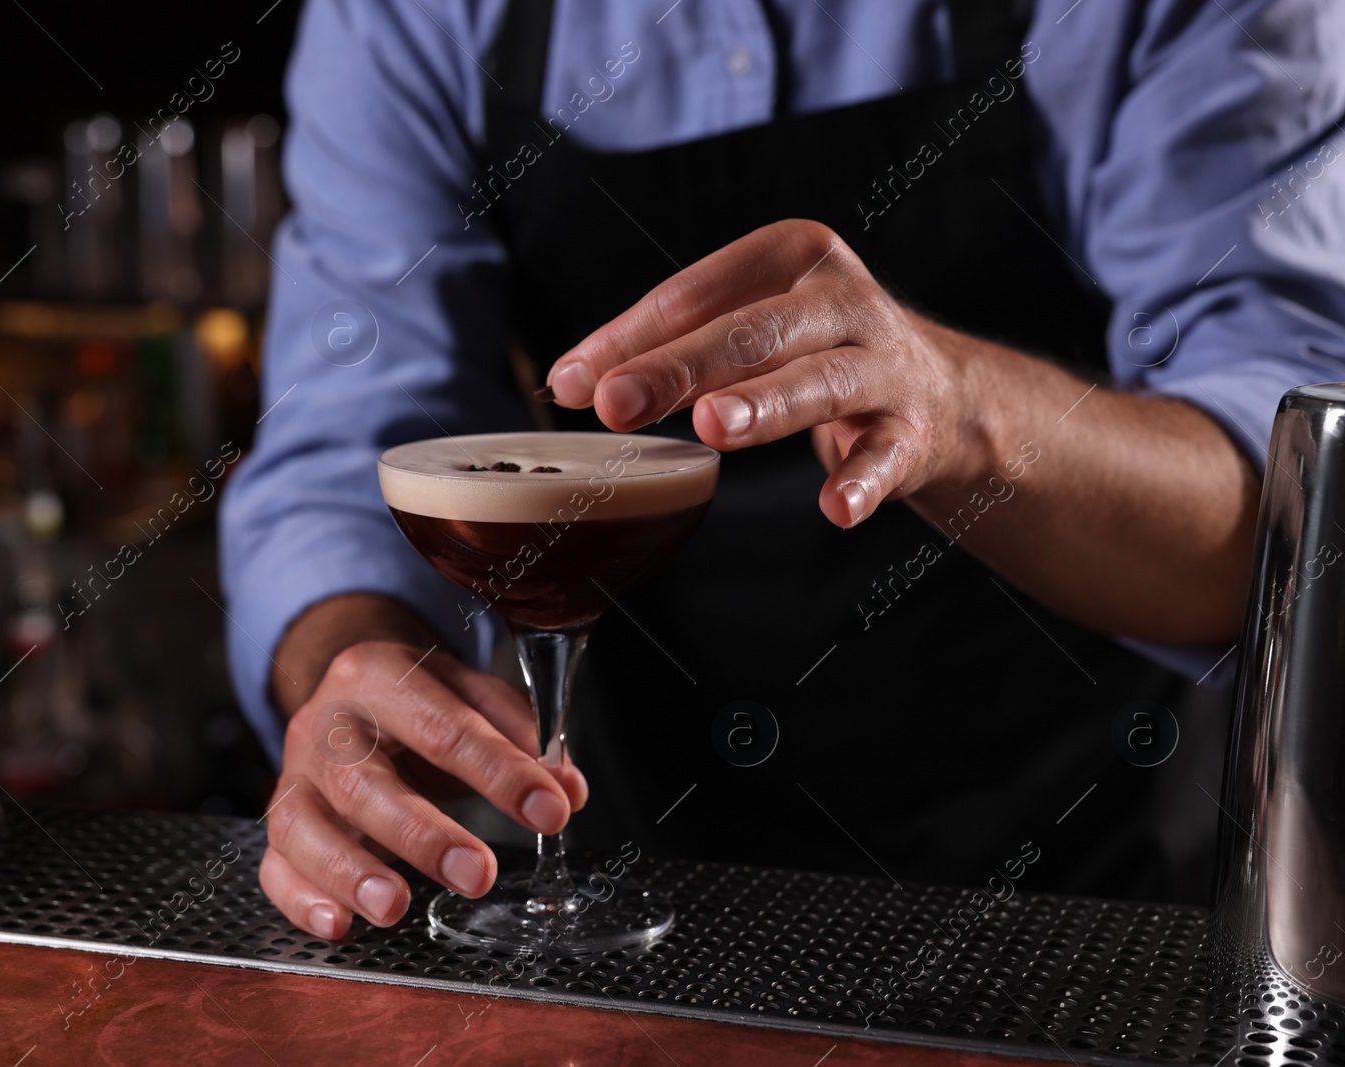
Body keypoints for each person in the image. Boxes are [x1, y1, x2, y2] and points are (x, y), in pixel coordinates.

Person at [219, 0, 1345, 940]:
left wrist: (957, 414)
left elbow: (1300, 492)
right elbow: (352, 445)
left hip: (1102, 883)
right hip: (653, 875)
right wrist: (349, 668)